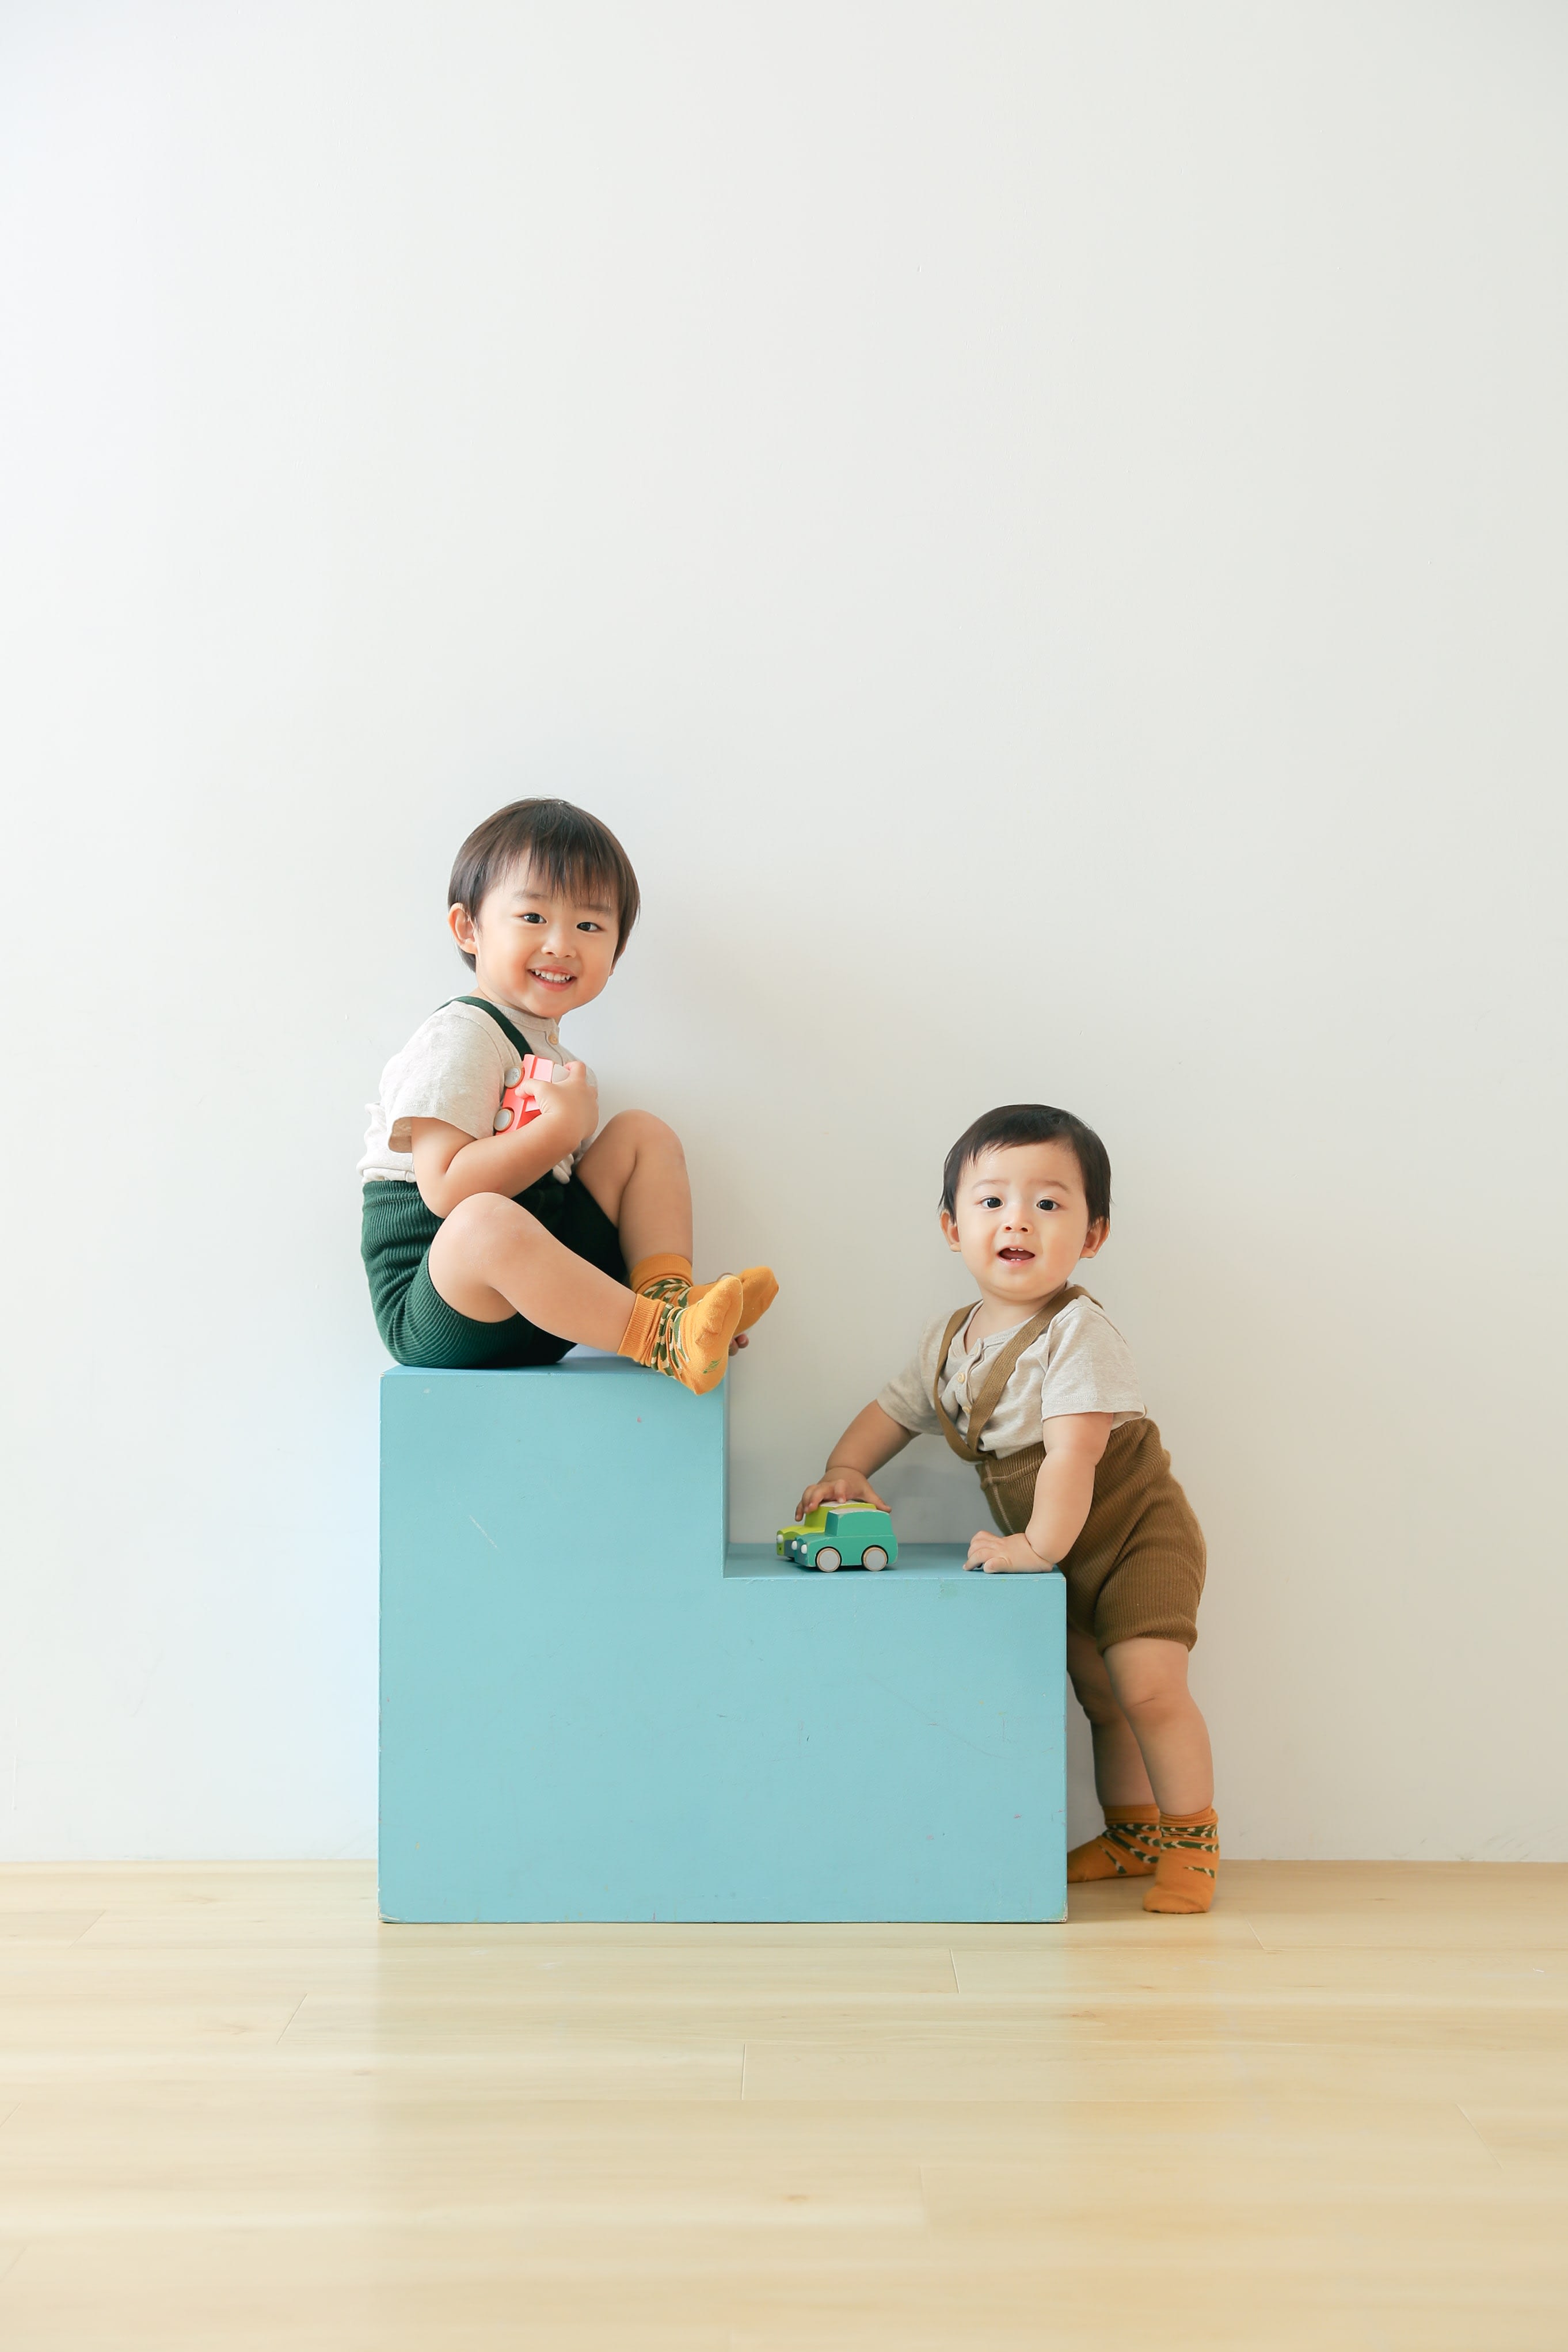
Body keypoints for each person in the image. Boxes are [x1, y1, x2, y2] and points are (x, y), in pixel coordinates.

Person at [794, 1103, 1217, 1914]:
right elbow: (893, 1410)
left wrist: (1036, 1545)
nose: (1018, 1218)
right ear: (953, 1227)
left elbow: (1075, 1454)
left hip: (1131, 1533)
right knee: (1097, 1690)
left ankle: (1192, 1838)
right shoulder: (948, 1340)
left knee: (1150, 1686)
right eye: (992, 1201)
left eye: (1049, 1203)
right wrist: (844, 1467)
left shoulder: (1077, 1332)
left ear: (1092, 1234)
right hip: (1062, 1543)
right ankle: (1132, 1833)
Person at [359, 797, 775, 1393]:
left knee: (640, 1134)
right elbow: (448, 1190)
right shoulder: (462, 1035)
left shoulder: (560, 1061)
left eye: (589, 925)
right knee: (484, 1221)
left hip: (540, 1311)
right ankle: (657, 1338)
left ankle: (668, 1306)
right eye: (532, 918)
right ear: (468, 928)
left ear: (617, 951)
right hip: (445, 1312)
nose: (561, 943)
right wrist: (558, 1131)